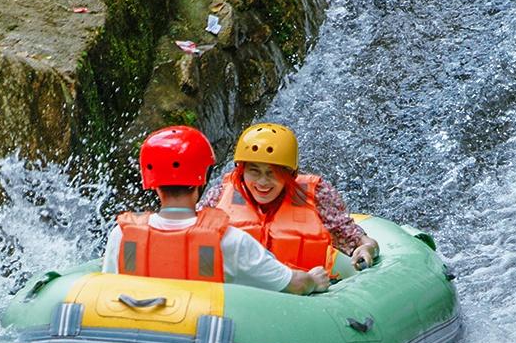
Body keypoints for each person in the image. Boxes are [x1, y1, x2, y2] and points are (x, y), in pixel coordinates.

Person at [103, 125, 332, 292]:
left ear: (151, 183)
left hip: (135, 342)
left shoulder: (121, 236)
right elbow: (296, 285)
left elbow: (106, 293)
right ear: (203, 180)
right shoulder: (230, 241)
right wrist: (313, 279)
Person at [202, 122, 380, 271]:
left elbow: (361, 242)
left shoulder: (317, 196)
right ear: (241, 172)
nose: (263, 182)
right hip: (237, 294)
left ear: (291, 174)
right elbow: (193, 236)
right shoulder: (220, 195)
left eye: (273, 173)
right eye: (254, 171)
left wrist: (366, 250)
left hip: (301, 294)